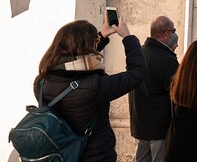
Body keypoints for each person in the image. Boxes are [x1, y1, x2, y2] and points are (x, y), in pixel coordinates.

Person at [35, 16, 147, 162]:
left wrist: (101, 36)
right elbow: (138, 73)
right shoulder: (95, 86)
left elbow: (76, 63)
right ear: (86, 48)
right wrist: (128, 37)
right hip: (94, 156)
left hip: (61, 154)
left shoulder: (42, 81)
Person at [129, 16, 179, 162]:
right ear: (165, 34)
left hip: (140, 121)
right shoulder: (166, 59)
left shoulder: (139, 53)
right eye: (173, 30)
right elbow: (176, 92)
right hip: (159, 126)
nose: (173, 33)